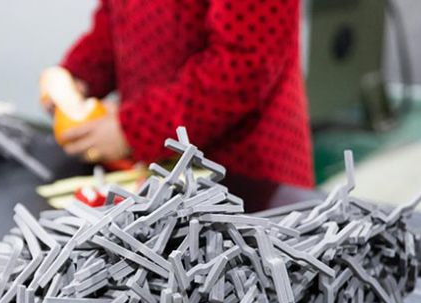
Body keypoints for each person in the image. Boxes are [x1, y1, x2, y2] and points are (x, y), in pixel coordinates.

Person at [46, 0, 314, 188]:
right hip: (161, 175)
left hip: (247, 174)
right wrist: (77, 76)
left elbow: (244, 65)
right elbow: (117, 19)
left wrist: (135, 129)